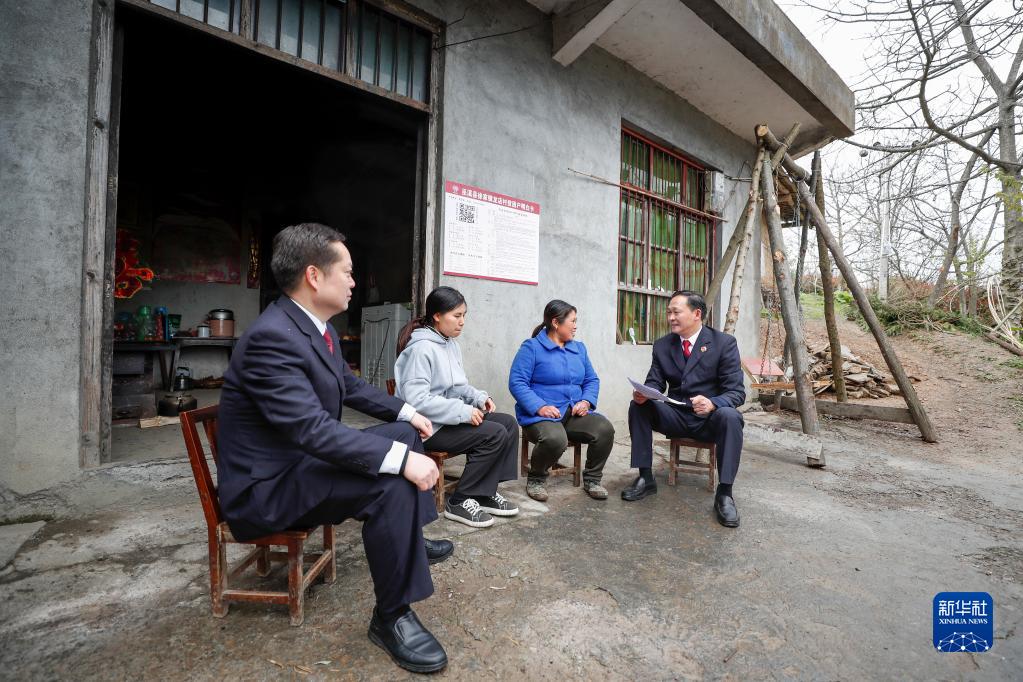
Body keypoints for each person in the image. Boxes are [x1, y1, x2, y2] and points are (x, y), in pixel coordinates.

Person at [216, 223, 450, 674]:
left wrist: (407, 412)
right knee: (390, 481)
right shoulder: (271, 338)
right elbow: (313, 430)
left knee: (404, 436)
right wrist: (401, 463)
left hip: (301, 465)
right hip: (269, 489)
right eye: (347, 272)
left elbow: (349, 386)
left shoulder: (312, 328)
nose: (353, 282)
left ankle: (409, 540)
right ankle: (392, 617)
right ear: (314, 276)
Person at [394, 286, 520, 528]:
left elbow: (459, 386)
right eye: (457, 315)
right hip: (426, 428)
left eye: (464, 315)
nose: (462, 322)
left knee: (508, 424)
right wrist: (463, 412)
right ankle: (460, 501)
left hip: (446, 419)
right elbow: (417, 400)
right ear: (437, 316)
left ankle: (484, 492)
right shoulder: (421, 349)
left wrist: (479, 398)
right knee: (493, 434)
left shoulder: (450, 344)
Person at [622, 290, 745, 528]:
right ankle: (645, 477)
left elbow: (736, 392)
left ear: (696, 314)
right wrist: (644, 393)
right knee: (638, 407)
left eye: (676, 312)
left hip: (709, 419)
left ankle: (725, 494)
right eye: (669, 312)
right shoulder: (663, 345)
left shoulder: (723, 344)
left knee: (731, 416)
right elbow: (655, 382)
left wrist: (713, 403)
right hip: (676, 415)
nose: (670, 317)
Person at [508, 299, 615, 502]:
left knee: (604, 429)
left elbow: (591, 380)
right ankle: (536, 479)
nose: (575, 326)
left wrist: (586, 401)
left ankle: (592, 479)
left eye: (576, 321)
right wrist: (539, 407)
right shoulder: (532, 347)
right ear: (556, 323)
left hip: (572, 413)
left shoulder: (579, 349)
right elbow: (517, 382)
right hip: (540, 416)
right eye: (572, 321)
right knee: (555, 439)